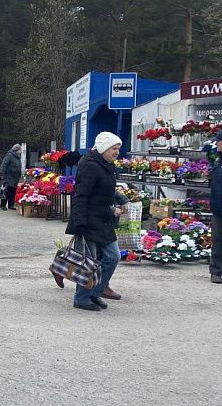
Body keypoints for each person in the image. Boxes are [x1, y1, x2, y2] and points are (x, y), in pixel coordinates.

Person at [65, 132, 124, 311]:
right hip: (90, 220)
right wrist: (80, 222)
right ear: (104, 148)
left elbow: (104, 191)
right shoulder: (90, 165)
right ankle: (82, 298)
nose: (117, 152)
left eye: (118, 149)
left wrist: (115, 204)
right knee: (89, 261)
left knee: (112, 257)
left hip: (103, 219)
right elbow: (81, 194)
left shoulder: (106, 165)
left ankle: (95, 293)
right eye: (114, 148)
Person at [210, 130, 222, 284]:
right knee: (218, 240)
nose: (217, 144)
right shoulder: (218, 161)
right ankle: (217, 272)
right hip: (218, 208)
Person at [0, 144, 22, 210]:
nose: (20, 151)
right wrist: (2, 174)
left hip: (15, 177)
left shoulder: (18, 157)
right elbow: (4, 164)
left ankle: (11, 205)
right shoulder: (9, 155)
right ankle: (3, 205)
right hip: (8, 176)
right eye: (20, 150)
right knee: (6, 191)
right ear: (17, 150)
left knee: (13, 191)